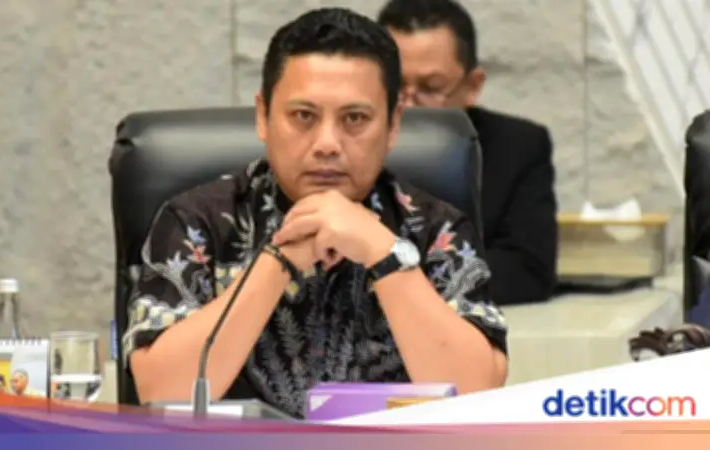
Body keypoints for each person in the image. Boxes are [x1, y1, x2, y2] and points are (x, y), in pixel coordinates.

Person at [124, 7, 508, 417]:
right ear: (263, 116)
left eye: (355, 118)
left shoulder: (437, 229)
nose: (327, 143)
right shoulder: (196, 223)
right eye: (303, 116)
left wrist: (385, 254)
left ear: (393, 124)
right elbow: (161, 393)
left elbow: (477, 397)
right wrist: (279, 260)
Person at [377, 0, 558, 306]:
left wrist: (397, 278)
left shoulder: (518, 147)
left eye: (430, 87)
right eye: (394, 85)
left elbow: (527, 270)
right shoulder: (339, 142)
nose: (407, 105)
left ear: (473, 85)